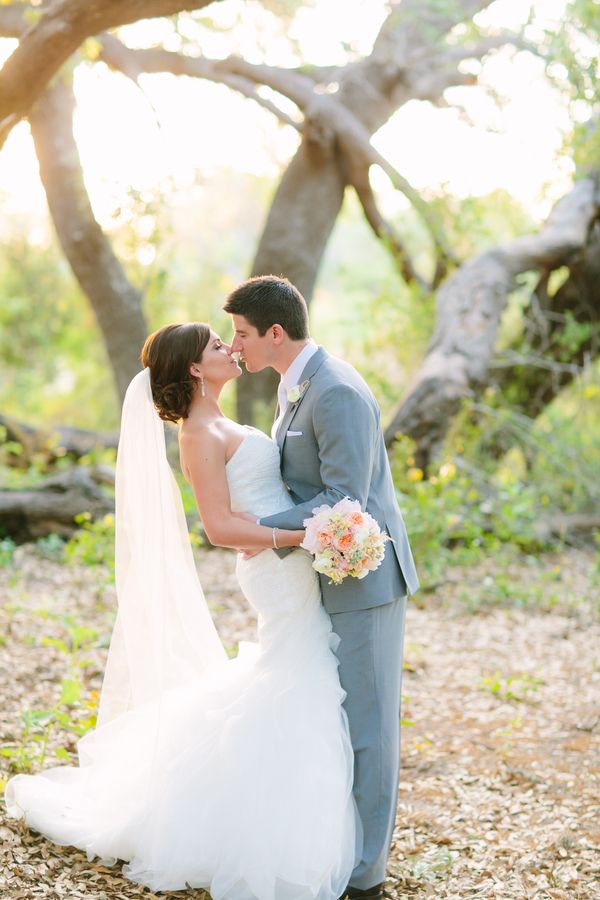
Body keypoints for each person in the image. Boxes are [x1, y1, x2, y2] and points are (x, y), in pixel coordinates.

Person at [6, 322, 360, 898]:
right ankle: (267, 826)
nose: (231, 349)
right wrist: (305, 536)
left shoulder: (224, 420)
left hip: (284, 558)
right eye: (218, 346)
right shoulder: (198, 433)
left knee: (295, 670)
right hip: (273, 568)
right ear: (196, 368)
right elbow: (219, 528)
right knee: (298, 674)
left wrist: (309, 532)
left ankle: (250, 800)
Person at [225, 276, 419, 900]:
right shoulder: (294, 386)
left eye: (243, 334)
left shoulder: (335, 392)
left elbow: (346, 502)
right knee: (338, 721)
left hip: (365, 582)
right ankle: (341, 853)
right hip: (324, 581)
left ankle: (367, 874)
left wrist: (258, 528)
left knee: (369, 727)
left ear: (275, 333)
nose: (236, 347)